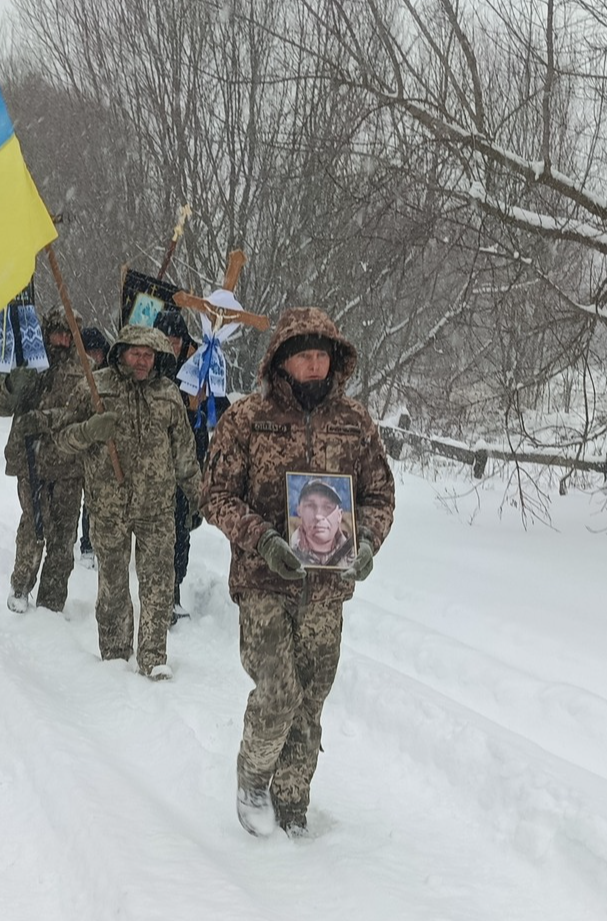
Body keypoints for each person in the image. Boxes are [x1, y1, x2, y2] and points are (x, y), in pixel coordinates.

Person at [202, 306, 395, 838]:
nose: (315, 364)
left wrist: (369, 543)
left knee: (310, 698)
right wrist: (261, 539)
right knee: (279, 689)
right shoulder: (247, 419)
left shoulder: (355, 424)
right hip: (264, 580)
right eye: (304, 355)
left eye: (322, 355)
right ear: (282, 360)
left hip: (326, 588)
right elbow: (214, 495)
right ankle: (254, 778)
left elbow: (380, 496)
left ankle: (292, 802)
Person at [54, 324, 201, 680]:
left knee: (158, 584)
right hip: (109, 506)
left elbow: (184, 454)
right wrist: (89, 431)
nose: (142, 360)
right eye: (135, 352)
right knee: (114, 583)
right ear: (120, 352)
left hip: (157, 508)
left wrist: (200, 497)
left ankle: (153, 656)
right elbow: (61, 440)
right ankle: (116, 654)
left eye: (149, 354)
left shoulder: (167, 394)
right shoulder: (96, 386)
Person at [0, 307, 86, 613]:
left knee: (64, 537)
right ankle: (20, 586)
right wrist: (13, 384)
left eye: (69, 334)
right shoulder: (29, 362)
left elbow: (82, 413)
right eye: (58, 332)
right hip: (33, 462)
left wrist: (44, 419)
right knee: (34, 527)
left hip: (70, 465)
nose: (64, 339)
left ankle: (52, 601)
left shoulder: (85, 368)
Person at [151, 308, 226, 623]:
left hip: (189, 461)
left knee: (181, 526)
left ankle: (174, 589)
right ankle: (157, 591)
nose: (171, 343)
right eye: (166, 338)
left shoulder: (202, 365)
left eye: (176, 338)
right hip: (153, 462)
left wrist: (209, 398)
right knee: (157, 528)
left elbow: (221, 410)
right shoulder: (147, 364)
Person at [76, 325, 111, 569]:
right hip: (90, 444)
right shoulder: (83, 373)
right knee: (90, 498)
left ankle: (103, 545)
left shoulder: (110, 370)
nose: (93, 357)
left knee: (108, 501)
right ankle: (87, 543)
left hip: (110, 444)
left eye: (95, 352)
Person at [289, 479, 355, 567]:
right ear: (299, 511)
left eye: (327, 507)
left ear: (339, 515)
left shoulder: (354, 551)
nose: (318, 516)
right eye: (310, 506)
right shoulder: (285, 548)